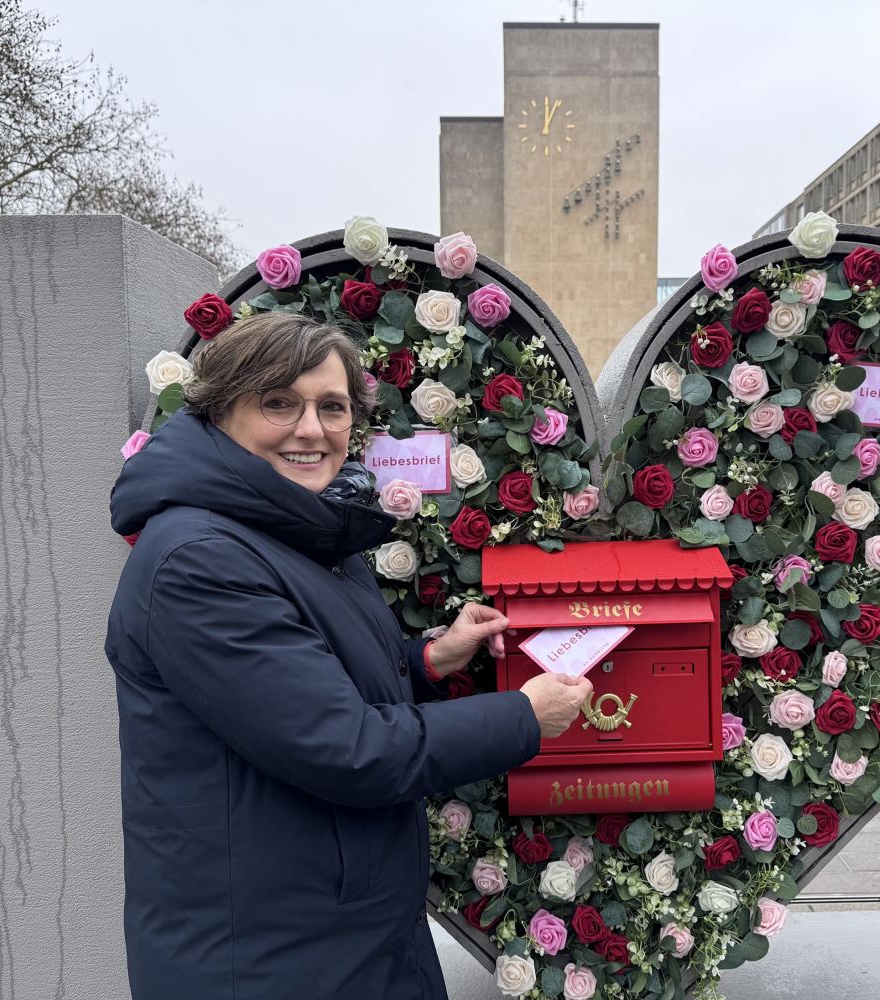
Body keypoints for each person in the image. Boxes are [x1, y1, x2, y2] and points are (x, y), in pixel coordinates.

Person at [104, 312, 591, 999]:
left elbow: (308, 680)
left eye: (332, 407)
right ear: (220, 412)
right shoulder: (201, 560)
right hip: (266, 954)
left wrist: (426, 659)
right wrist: (523, 717)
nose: (311, 429)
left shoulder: (295, 525)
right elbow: (348, 748)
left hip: (339, 928)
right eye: (279, 402)